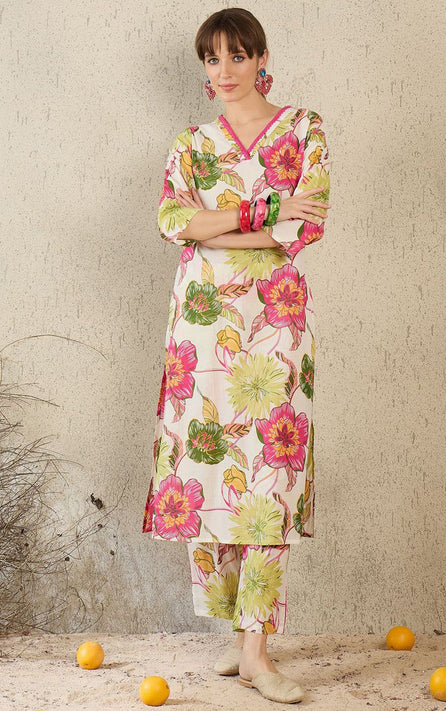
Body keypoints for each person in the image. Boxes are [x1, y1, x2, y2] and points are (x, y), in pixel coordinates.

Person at [142, 7, 331, 704]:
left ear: (261, 59)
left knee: (268, 479)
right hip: (201, 324)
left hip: (275, 319)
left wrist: (214, 228)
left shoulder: (304, 129)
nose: (223, 70)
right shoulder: (191, 143)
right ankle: (238, 633)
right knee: (211, 469)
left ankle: (256, 650)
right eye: (212, 58)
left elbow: (304, 225)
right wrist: (260, 214)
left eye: (237, 55)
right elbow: (172, 221)